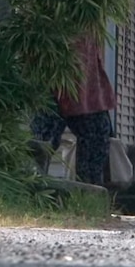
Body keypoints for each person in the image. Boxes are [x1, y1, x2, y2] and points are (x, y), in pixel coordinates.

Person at [31, 35, 115, 186]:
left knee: (96, 141)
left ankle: (89, 197)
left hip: (85, 83)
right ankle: (32, 190)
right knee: (40, 144)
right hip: (51, 79)